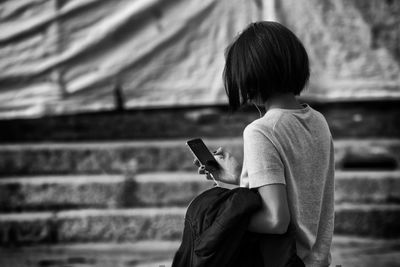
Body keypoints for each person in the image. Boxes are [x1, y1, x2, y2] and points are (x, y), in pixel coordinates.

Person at [195, 21, 335, 267]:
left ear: (252, 77)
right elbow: (298, 196)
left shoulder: (261, 131)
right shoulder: (318, 121)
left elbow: (275, 221)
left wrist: (215, 217)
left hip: (279, 261)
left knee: (202, 211)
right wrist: (240, 177)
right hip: (317, 261)